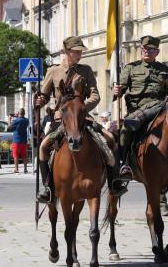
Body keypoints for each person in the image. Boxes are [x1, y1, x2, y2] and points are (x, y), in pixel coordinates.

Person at [34, 36, 125, 203]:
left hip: (83, 118)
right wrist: (39, 100)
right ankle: (47, 187)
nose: (79, 54)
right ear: (66, 52)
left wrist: (81, 108)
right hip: (60, 119)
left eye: (80, 51)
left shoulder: (86, 71)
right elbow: (44, 95)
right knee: (43, 147)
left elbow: (95, 96)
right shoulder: (53, 71)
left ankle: (114, 182)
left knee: (110, 139)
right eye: (76, 51)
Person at [113, 35, 168, 179]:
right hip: (136, 111)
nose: (146, 51)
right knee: (125, 130)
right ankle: (125, 164)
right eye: (144, 48)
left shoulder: (165, 69)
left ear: (157, 52)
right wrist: (117, 91)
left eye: (150, 49)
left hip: (159, 110)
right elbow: (121, 89)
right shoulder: (130, 68)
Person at [8, 108, 29, 173]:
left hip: (16, 140)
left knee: (16, 155)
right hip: (24, 140)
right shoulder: (26, 120)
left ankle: (16, 169)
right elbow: (22, 119)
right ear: (24, 113)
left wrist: (9, 119)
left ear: (19, 113)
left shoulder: (16, 120)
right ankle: (25, 169)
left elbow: (9, 127)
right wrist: (18, 115)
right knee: (24, 155)